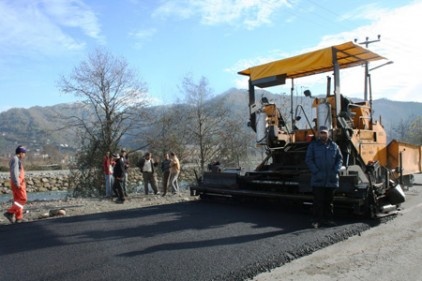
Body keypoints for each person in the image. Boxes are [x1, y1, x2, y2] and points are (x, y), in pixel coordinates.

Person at [305, 126, 343, 228]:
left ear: (328, 134)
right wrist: (316, 171)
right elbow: (309, 160)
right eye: (321, 133)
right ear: (318, 134)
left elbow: (339, 159)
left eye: (325, 133)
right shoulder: (313, 146)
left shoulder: (334, 146)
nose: (323, 135)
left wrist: (336, 170)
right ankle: (316, 221)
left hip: (331, 179)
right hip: (318, 179)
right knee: (318, 201)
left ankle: (328, 220)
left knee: (329, 202)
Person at [4, 145, 28, 223]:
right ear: (20, 153)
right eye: (24, 153)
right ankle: (10, 212)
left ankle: (19, 218)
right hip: (18, 183)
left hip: (16, 182)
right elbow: (14, 172)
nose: (24, 155)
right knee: (23, 199)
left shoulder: (16, 159)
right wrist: (17, 183)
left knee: (17, 201)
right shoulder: (15, 159)